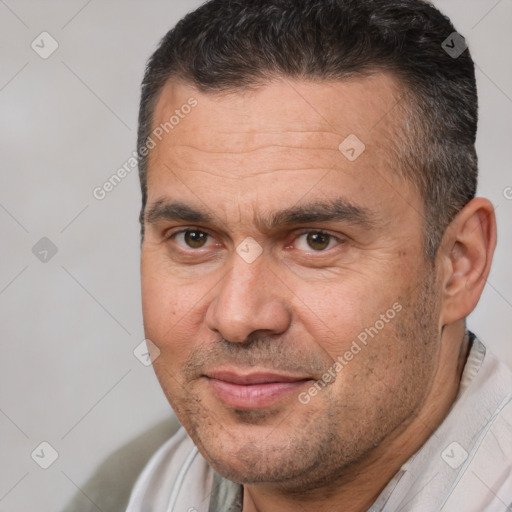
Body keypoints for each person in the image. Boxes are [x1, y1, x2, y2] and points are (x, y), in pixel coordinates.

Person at [126, 0, 512, 510]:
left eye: (316, 240)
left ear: (458, 264)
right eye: (194, 238)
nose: (238, 317)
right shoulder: (124, 486)